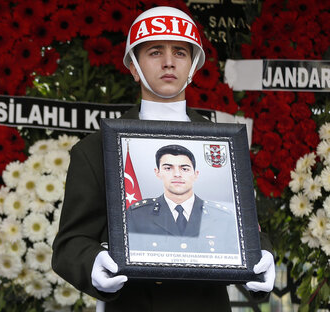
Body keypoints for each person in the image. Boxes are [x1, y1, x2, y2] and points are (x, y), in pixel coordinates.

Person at [51, 6, 275, 311]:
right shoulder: (95, 149)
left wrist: (262, 257)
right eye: (155, 52)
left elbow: (244, 228)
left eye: (181, 53)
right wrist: (92, 264)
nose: (169, 62)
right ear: (133, 66)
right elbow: (69, 245)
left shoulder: (224, 146)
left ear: (194, 65)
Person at [126, 144, 238, 254]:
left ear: (195, 174)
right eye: (168, 168)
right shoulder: (137, 215)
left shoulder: (223, 217)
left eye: (184, 169)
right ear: (158, 173)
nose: (177, 174)